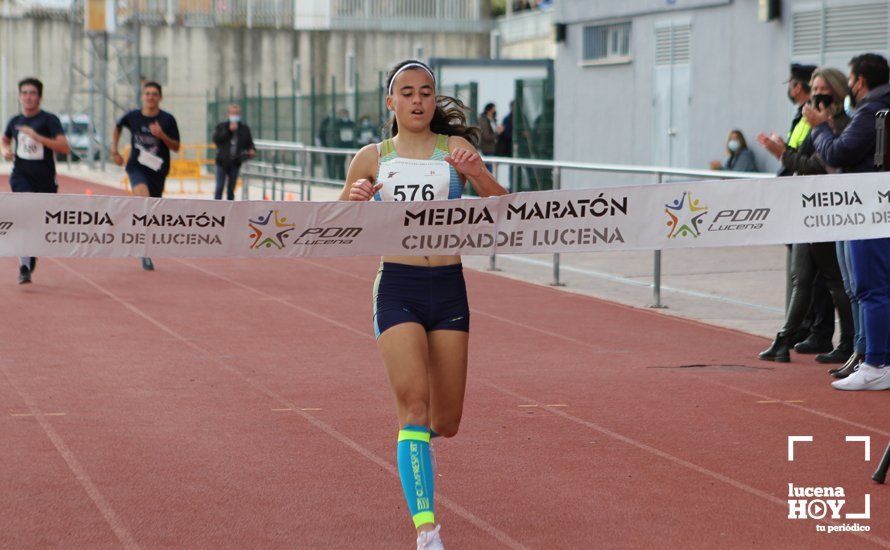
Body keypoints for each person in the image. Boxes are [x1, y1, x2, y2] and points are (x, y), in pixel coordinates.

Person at [338, 59, 507, 549]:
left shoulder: (455, 150)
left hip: (449, 287)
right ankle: (426, 529)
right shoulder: (373, 157)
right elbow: (333, 224)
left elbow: (505, 212)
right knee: (413, 409)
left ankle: (415, 456)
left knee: (445, 422)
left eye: (426, 92)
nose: (417, 100)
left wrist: (479, 178)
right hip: (398, 288)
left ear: (435, 100)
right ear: (390, 103)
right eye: (406, 92)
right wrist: (354, 198)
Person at [756, 68, 854, 364]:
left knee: (835, 281)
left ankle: (848, 342)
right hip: (805, 208)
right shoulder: (811, 122)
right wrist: (785, 151)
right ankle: (783, 340)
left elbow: (816, 166)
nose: (816, 93)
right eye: (813, 87)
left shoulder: (839, 125)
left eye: (822, 87)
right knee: (801, 276)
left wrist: (781, 154)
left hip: (826, 210)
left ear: (836, 91)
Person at [806, 53, 890, 389]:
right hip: (867, 205)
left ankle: (876, 362)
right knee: (867, 288)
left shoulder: (871, 110)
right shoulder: (875, 109)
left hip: (866, 207)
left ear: (857, 81)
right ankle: (868, 357)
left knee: (870, 288)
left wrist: (818, 130)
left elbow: (838, 153)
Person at [1, 77, 70, 284]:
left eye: (32, 93)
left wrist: (36, 137)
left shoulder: (49, 120)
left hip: (46, 179)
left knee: (38, 222)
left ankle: (30, 255)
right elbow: (5, 139)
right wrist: (5, 150)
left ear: (39, 97)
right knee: (23, 215)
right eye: (24, 93)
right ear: (20, 96)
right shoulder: (14, 121)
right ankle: (24, 264)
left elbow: (64, 147)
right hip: (21, 176)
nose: (28, 97)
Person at [111, 81, 181, 271]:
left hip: (158, 170)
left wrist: (162, 135)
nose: (150, 97)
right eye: (147, 93)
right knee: (142, 199)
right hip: (136, 167)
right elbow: (117, 126)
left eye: (154, 94)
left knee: (152, 209)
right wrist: (114, 151)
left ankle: (144, 242)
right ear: (143, 96)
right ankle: (143, 249)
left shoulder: (167, 119)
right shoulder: (133, 116)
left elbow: (176, 147)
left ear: (160, 97)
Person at [212, 104, 255, 200]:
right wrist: (229, 131)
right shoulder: (222, 126)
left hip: (235, 162)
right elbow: (216, 139)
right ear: (228, 114)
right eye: (233, 113)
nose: (234, 115)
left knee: (231, 189)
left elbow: (249, 143)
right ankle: (215, 210)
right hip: (222, 162)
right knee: (219, 187)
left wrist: (251, 150)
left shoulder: (244, 129)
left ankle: (230, 211)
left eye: (236, 113)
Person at [478, 102, 499, 169]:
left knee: (491, 169)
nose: (495, 111)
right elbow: (486, 136)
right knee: (489, 170)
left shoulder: (492, 120)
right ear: (489, 110)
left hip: (493, 149)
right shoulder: (484, 120)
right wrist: (497, 133)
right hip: (487, 149)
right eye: (493, 109)